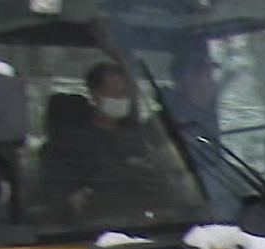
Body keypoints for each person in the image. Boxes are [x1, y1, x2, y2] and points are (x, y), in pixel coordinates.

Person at [39, 61, 185, 221]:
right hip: (95, 226)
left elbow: (169, 175)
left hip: (148, 221)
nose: (121, 99)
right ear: (95, 95)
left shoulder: (141, 137)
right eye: (114, 94)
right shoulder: (69, 143)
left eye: (125, 94)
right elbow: (59, 192)